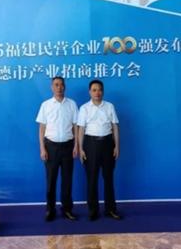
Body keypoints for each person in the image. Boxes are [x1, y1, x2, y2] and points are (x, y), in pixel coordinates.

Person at [36, 76, 79, 221]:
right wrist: (42, 148)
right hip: (51, 147)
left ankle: (67, 209)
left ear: (65, 87)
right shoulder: (46, 105)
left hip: (68, 146)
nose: (59, 87)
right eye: (56, 85)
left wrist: (76, 145)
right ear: (51, 87)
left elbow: (76, 126)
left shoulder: (72, 104)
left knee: (67, 180)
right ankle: (50, 209)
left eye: (61, 85)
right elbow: (41, 128)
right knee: (51, 180)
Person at [78, 79, 121, 221]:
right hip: (90, 145)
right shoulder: (84, 108)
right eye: (94, 90)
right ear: (89, 92)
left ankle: (110, 209)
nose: (97, 92)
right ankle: (93, 210)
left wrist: (117, 146)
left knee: (108, 178)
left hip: (108, 144)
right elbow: (81, 129)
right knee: (92, 179)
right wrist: (80, 149)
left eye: (100, 90)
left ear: (103, 91)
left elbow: (115, 127)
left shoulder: (109, 106)